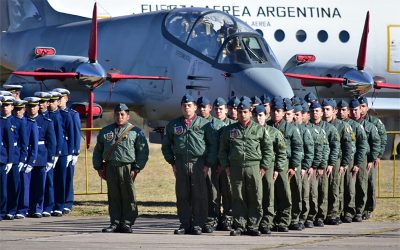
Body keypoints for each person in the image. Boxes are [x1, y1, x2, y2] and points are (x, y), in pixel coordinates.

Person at [162, 94, 217, 235]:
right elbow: (166, 145)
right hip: (181, 163)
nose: (187, 108)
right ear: (181, 107)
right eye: (184, 105)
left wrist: (207, 164)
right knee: (182, 194)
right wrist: (172, 162)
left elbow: (212, 145)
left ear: (195, 107)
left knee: (200, 194)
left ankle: (198, 224)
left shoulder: (204, 124)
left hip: (199, 163)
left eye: (189, 105)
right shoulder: (173, 125)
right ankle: (185, 223)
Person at [219, 100, 274, 236]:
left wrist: (264, 166)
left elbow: (268, 149)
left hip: (253, 166)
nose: (242, 115)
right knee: (238, 195)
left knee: (255, 196)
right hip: (236, 167)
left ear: (250, 113)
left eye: (245, 112)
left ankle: (253, 225)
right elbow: (223, 150)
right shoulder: (229, 130)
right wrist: (226, 166)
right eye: (239, 112)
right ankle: (240, 225)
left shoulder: (259, 129)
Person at [93, 103, 149, 233]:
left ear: (128, 116)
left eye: (122, 114)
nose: (119, 116)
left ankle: (127, 223)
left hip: (127, 167)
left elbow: (142, 152)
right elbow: (98, 150)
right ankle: (115, 222)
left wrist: (137, 168)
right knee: (113, 196)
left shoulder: (136, 132)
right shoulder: (106, 131)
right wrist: (99, 167)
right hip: (111, 167)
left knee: (128, 195)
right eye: (117, 114)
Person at [268, 97, 303, 231]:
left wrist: (293, 166)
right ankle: (272, 219)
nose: (276, 113)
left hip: (285, 163)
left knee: (285, 192)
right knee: (270, 193)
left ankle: (284, 220)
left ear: (283, 113)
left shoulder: (291, 128)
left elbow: (297, 147)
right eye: (273, 110)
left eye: (278, 111)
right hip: (270, 162)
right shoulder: (267, 126)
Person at [253, 104, 287, 235]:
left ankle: (267, 222)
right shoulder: (250, 131)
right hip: (253, 166)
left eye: (260, 115)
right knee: (254, 195)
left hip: (269, 167)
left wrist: (278, 168)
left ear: (266, 116)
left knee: (268, 194)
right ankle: (254, 221)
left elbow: (281, 152)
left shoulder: (274, 132)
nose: (258, 118)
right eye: (255, 115)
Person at [321, 99, 353, 225]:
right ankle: (323, 213)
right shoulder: (320, 125)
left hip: (336, 160)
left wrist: (344, 163)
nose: (325, 112)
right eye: (323, 109)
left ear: (334, 111)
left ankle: (334, 213)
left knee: (335, 186)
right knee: (323, 188)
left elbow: (348, 146)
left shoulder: (342, 126)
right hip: (323, 159)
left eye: (327, 109)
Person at [349, 98, 380, 222]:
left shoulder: (370, 126)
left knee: (363, 184)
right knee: (350, 186)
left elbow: (376, 142)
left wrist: (372, 159)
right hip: (351, 158)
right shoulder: (348, 125)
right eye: (352, 110)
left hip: (364, 159)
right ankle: (350, 210)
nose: (355, 112)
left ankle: (362, 210)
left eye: (356, 109)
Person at [337, 100, 368, 223]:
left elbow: (362, 145)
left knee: (351, 187)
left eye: (344, 110)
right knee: (338, 187)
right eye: (339, 110)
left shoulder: (355, 126)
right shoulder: (335, 125)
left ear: (348, 111)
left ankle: (352, 212)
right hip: (338, 159)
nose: (341, 112)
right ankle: (339, 211)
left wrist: (357, 163)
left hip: (351, 160)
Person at [24, 97, 56, 218]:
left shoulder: (46, 121)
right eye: (30, 106)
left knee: (39, 184)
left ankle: (38, 208)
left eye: (34, 106)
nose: (32, 109)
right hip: (27, 155)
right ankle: (27, 207)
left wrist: (50, 159)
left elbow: (51, 142)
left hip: (41, 155)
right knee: (27, 185)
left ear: (38, 107)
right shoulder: (24, 121)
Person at [309, 101, 340, 227]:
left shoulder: (330, 129)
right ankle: (312, 215)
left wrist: (331, 163)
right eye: (312, 111)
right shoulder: (308, 127)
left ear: (321, 113)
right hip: (311, 164)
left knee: (325, 190)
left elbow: (335, 146)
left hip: (325, 164)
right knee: (312, 192)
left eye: (317, 111)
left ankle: (323, 216)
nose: (315, 113)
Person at [53, 88, 81, 214]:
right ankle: (56, 202)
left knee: (67, 177)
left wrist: (75, 152)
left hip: (68, 149)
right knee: (56, 177)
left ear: (66, 99)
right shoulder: (53, 114)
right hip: (57, 150)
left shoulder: (72, 114)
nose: (59, 100)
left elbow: (75, 133)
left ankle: (67, 202)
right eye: (57, 98)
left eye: (61, 98)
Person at [358, 96, 387, 220]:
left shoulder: (374, 122)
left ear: (367, 107)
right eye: (359, 107)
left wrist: (378, 156)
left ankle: (368, 208)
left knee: (370, 183)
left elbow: (382, 138)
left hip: (370, 157)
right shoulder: (353, 122)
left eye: (363, 106)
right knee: (358, 184)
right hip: (358, 158)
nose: (361, 109)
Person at [301, 102, 327, 228]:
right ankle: (302, 217)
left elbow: (320, 149)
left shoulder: (316, 130)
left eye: (304, 113)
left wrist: (317, 166)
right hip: (301, 166)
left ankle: (312, 217)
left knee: (312, 193)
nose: (312, 114)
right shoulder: (298, 128)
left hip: (312, 166)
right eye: (310, 112)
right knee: (302, 193)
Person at [3, 98, 28, 220]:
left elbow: (24, 143)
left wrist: (23, 159)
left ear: (12, 107)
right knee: (4, 186)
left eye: (8, 105)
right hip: (3, 156)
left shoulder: (18, 122)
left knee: (14, 185)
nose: (5, 108)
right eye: (3, 105)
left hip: (15, 157)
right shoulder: (2, 121)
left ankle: (12, 209)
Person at [293, 103, 315, 230]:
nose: (296, 117)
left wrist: (306, 167)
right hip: (292, 167)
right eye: (294, 114)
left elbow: (309, 150)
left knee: (304, 193)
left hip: (303, 167)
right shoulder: (290, 129)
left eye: (298, 115)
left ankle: (304, 217)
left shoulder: (304, 130)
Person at [0, 98, 14, 220]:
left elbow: (10, 142)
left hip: (1, 159)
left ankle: (2, 211)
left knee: (2, 187)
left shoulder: (4, 122)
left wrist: (10, 160)